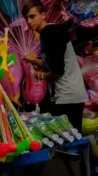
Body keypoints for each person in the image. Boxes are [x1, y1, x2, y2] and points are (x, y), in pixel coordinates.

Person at [23, 0, 87, 131]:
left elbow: (57, 71)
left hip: (67, 96)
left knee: (65, 141)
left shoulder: (49, 34)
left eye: (32, 16)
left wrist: (38, 75)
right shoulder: (51, 32)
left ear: (43, 15)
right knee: (70, 138)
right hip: (72, 94)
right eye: (26, 18)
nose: (29, 22)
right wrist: (33, 61)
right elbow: (54, 61)